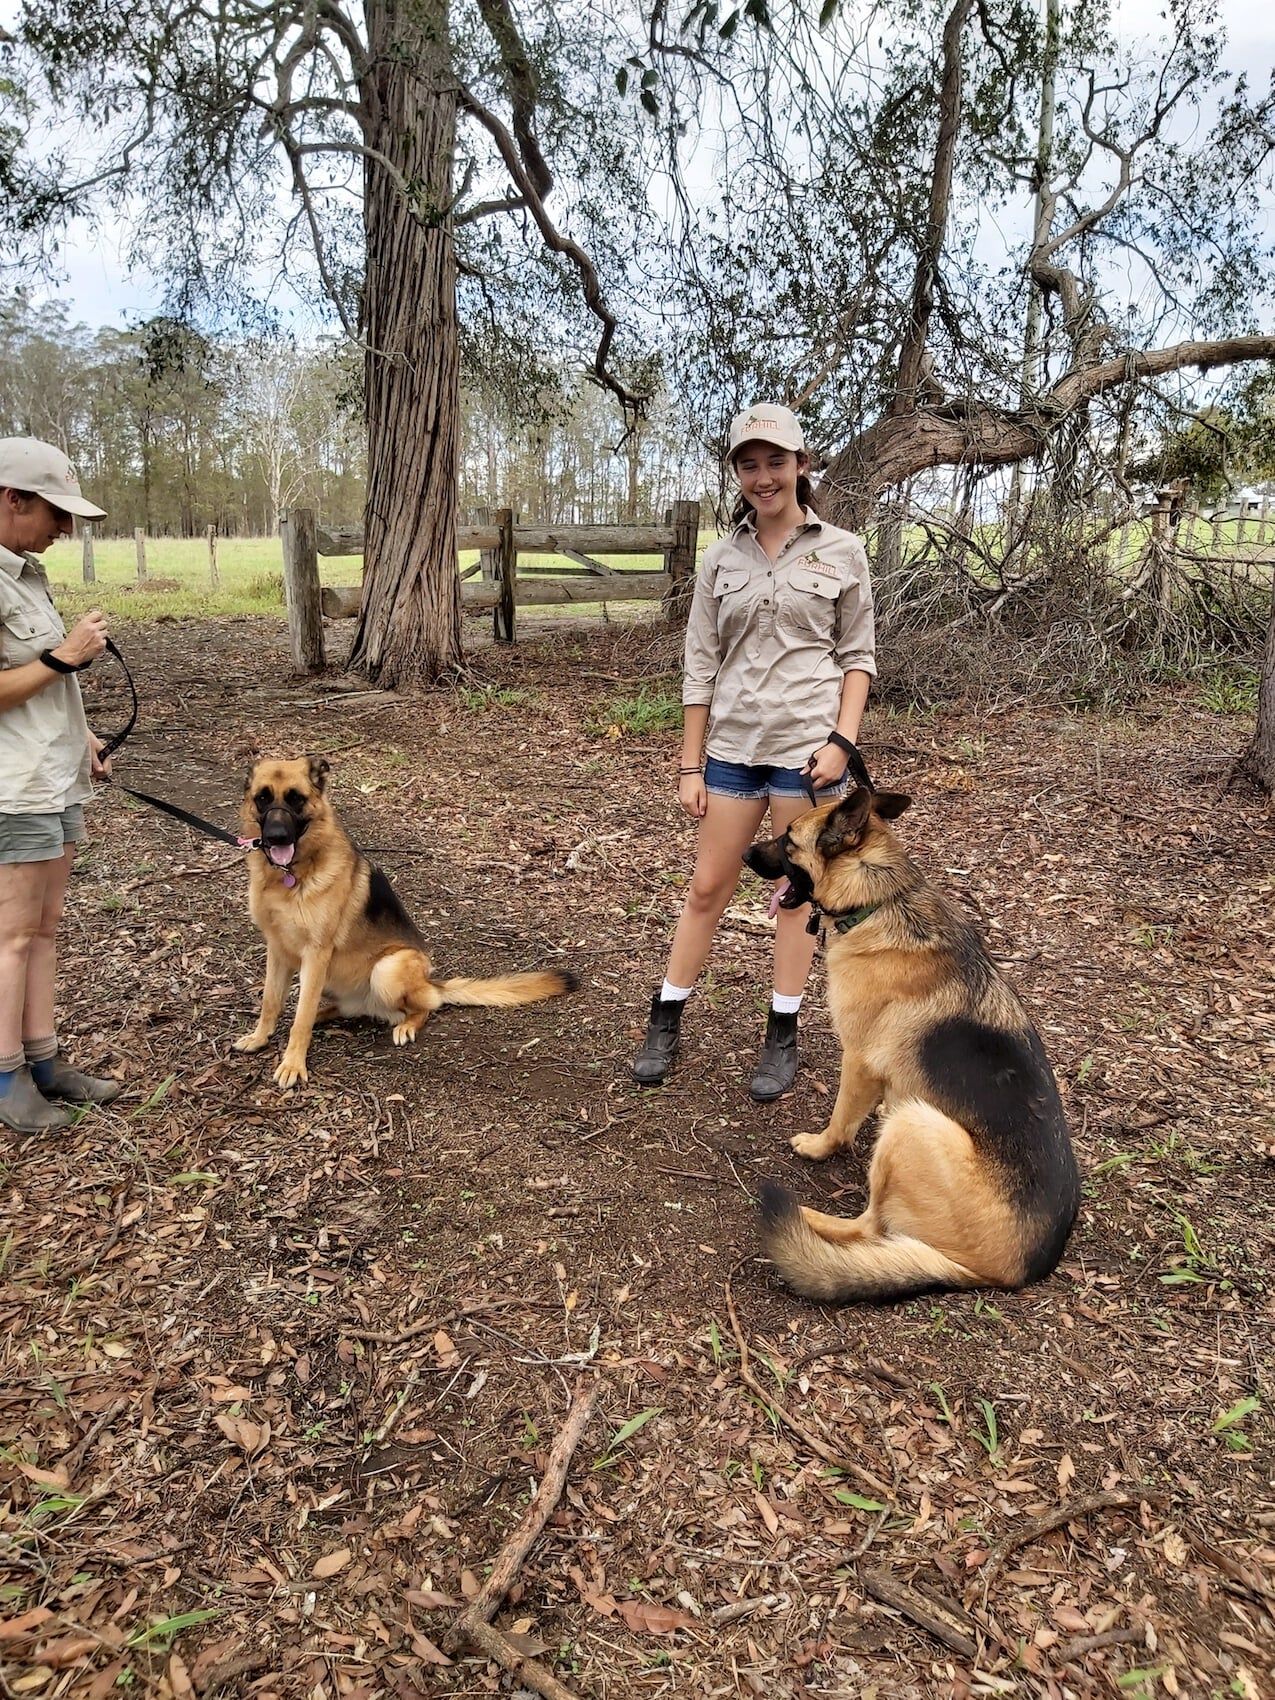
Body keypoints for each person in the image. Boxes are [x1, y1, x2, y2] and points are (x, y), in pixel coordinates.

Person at [632, 403, 876, 1099]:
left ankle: (781, 1032)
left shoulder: (843, 551)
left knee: (795, 895)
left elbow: (857, 657)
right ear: (735, 473)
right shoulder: (720, 559)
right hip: (733, 750)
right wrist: (689, 761)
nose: (762, 477)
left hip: (807, 755)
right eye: (748, 464)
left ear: (801, 465)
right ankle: (666, 1017)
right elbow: (699, 666)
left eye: (775, 461)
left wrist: (841, 742)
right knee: (708, 886)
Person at [0, 437, 120, 1135]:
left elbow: (44, 686)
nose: (65, 530)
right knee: (11, 938)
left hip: (53, 777)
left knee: (43, 932)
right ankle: (7, 1074)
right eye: (55, 512)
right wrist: (65, 653)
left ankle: (44, 1063)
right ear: (12, 499)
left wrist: (85, 737)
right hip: (12, 787)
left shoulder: (26, 574)